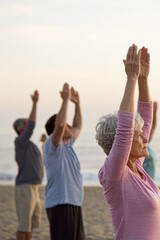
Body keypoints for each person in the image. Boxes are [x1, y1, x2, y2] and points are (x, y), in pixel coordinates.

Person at [96, 44, 160, 239]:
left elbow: (145, 119)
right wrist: (131, 79)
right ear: (122, 141)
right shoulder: (115, 175)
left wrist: (143, 79)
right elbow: (126, 130)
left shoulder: (138, 167)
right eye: (138, 135)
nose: (145, 137)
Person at [43, 83, 84, 240]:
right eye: (67, 124)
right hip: (60, 203)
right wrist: (65, 100)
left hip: (74, 202)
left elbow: (78, 125)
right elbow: (60, 124)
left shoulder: (69, 145)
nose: (69, 126)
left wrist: (77, 104)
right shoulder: (52, 146)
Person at [13, 90, 43, 240]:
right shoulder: (20, 141)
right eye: (26, 122)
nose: (29, 123)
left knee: (30, 224)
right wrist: (35, 103)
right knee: (23, 224)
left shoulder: (28, 144)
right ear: (20, 129)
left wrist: (45, 143)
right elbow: (31, 126)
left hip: (34, 187)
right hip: (25, 187)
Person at [143, 101, 158, 179]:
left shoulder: (146, 146)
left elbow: (153, 129)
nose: (151, 133)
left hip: (151, 182)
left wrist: (154, 112)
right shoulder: (139, 148)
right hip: (142, 183)